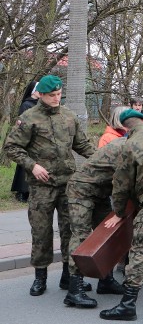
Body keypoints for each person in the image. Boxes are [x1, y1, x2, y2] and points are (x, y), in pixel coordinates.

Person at [3, 75, 95, 296]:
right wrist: (32, 165)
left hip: (67, 184)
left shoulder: (69, 116)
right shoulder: (29, 118)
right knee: (41, 231)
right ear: (41, 95)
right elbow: (11, 146)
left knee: (70, 231)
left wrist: (103, 159)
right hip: (41, 186)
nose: (56, 98)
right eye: (52, 95)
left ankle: (67, 276)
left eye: (59, 94)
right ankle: (40, 277)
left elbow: (82, 145)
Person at [99, 110, 143, 321]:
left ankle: (127, 305)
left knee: (139, 253)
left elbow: (121, 184)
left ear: (126, 128)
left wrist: (119, 212)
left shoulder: (129, 145)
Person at [63, 138, 127, 308]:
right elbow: (124, 185)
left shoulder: (131, 145)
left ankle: (106, 280)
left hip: (100, 192)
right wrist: (120, 212)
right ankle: (74, 290)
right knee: (81, 236)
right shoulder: (127, 150)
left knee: (109, 235)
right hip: (81, 190)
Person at [10, 81, 40, 202]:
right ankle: (21, 192)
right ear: (33, 91)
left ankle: (30, 191)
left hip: (37, 139)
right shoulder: (26, 104)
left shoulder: (40, 104)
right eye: (38, 90)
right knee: (24, 166)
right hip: (26, 138)